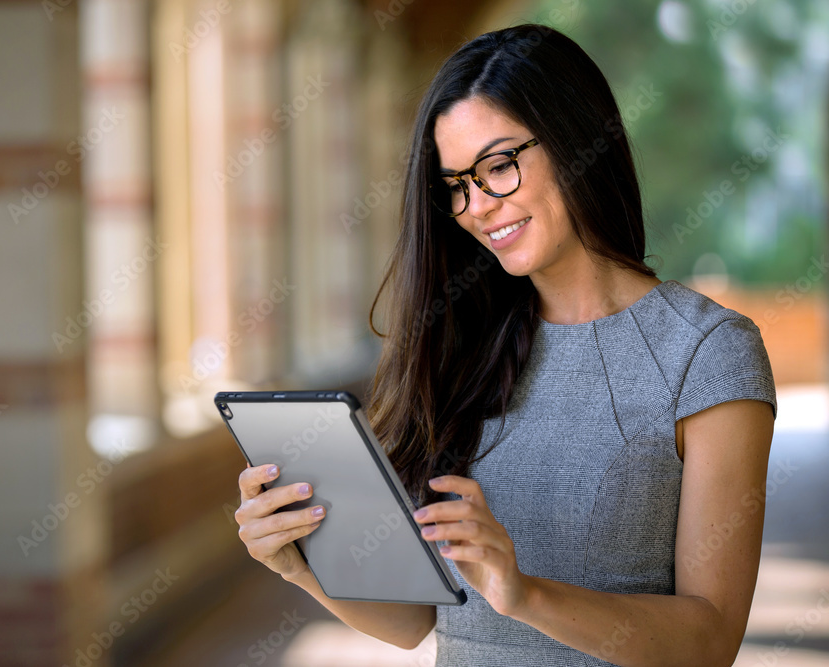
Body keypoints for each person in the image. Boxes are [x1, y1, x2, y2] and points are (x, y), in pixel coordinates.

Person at [234, 24, 776, 666]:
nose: (479, 207)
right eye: (458, 184)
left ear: (578, 140)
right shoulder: (461, 346)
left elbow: (709, 641)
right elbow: (415, 622)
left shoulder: (707, 352)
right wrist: (300, 564)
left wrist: (523, 594)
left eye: (498, 166)